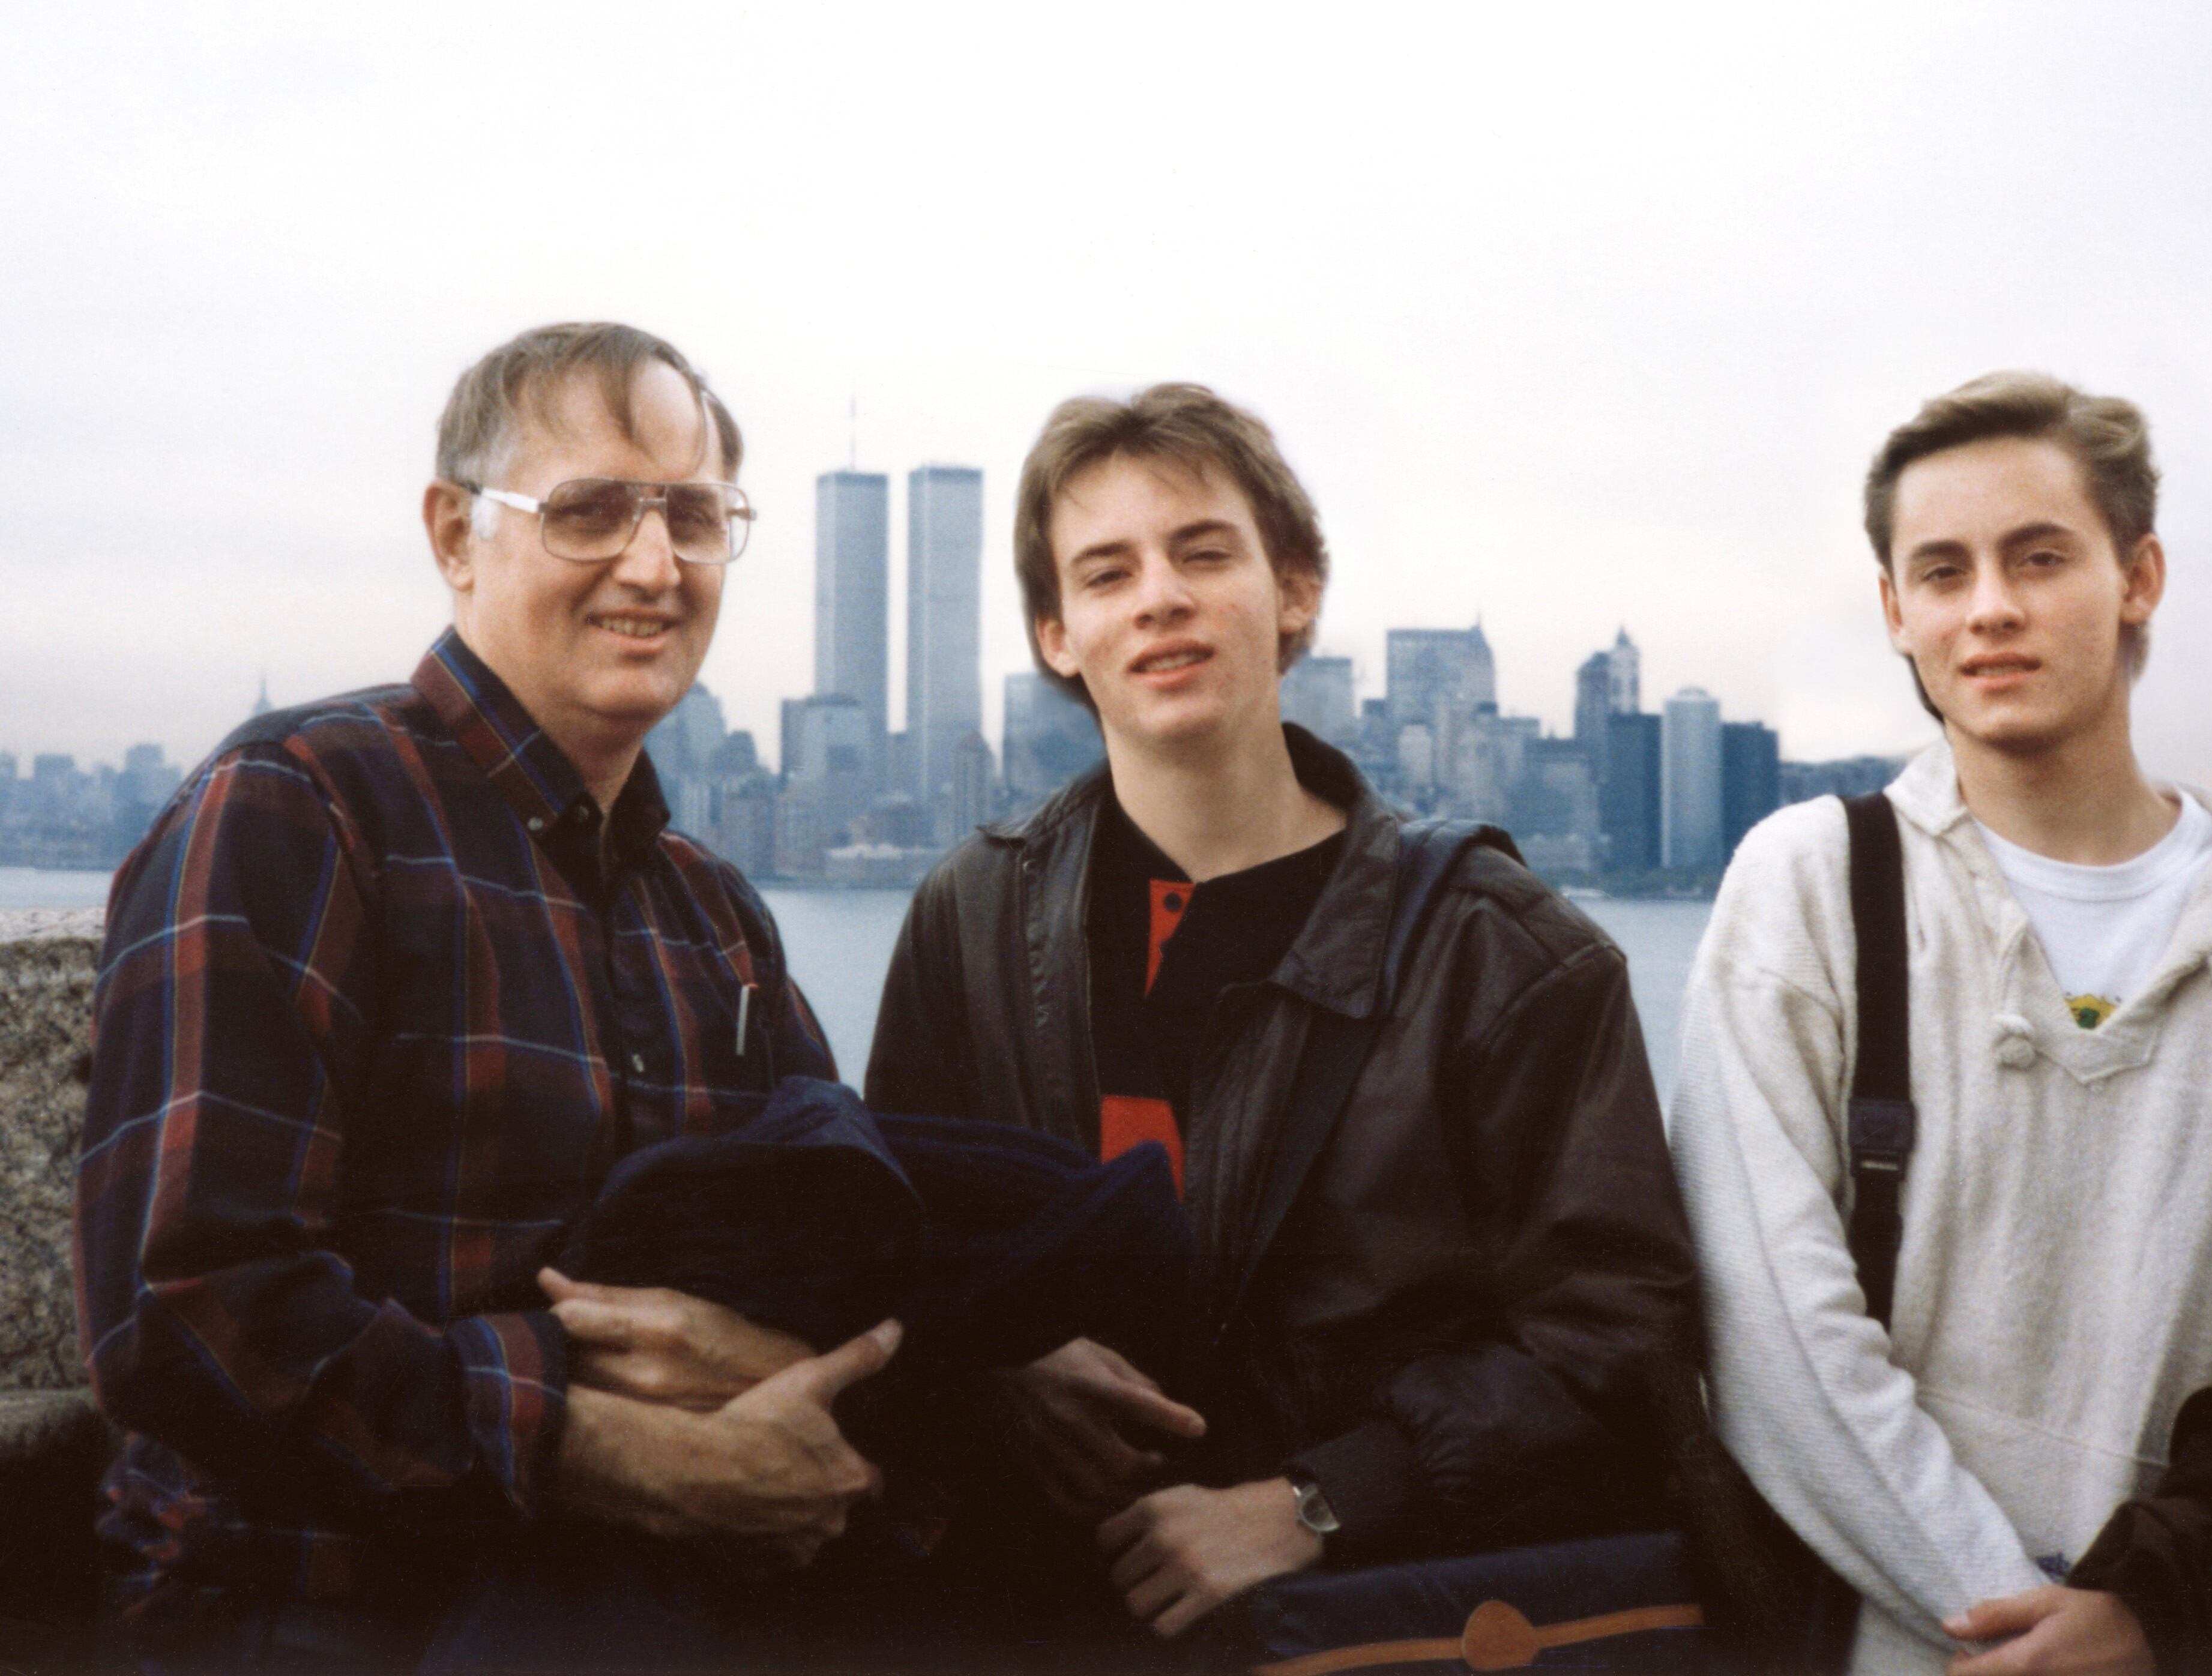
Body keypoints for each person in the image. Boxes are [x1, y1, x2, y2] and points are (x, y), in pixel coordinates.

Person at [77, 322, 898, 1665]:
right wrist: (594, 1437)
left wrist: (791, 1368)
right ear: (456, 535)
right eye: (588, 510)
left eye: (692, 515)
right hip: (319, 1614)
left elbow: (850, 1234)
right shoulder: (303, 810)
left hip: (653, 1613)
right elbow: (186, 1309)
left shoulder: (715, 911)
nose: (653, 563)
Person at [1666, 371, 2212, 1674]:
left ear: (2138, 576)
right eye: (1939, 572)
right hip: (1890, 1648)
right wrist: (2009, 1619)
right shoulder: (1812, 887)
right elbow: (1767, 1328)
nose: (1987, 606)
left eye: (2037, 556)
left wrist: (2159, 1614)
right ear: (1895, 613)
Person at [864, 382, 1696, 1641]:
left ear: (1294, 591)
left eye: (1204, 552)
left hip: (1370, 1628)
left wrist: (1317, 1503)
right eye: (1106, 572)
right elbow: (894, 1250)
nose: (1159, 596)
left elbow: (1618, 1338)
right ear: (1054, 633)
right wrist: (998, 1374)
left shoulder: (1506, 955)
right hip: (1024, 1614)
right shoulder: (969, 916)